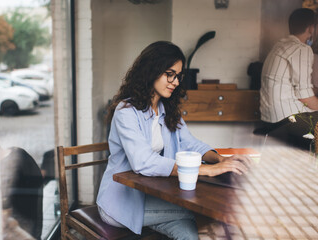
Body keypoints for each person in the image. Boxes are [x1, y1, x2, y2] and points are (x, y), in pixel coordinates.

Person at [96, 41, 252, 239]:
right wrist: (207, 170)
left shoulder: (166, 110)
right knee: (198, 212)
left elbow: (191, 143)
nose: (175, 82)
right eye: (169, 74)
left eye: (178, 76)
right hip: (120, 204)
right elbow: (142, 162)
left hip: (152, 195)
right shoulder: (126, 112)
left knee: (188, 233)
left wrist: (220, 160)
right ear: (151, 70)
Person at [260, 8, 318, 148]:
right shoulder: (301, 49)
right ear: (311, 29)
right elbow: (305, 96)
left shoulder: (279, 45)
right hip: (287, 118)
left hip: (269, 115)